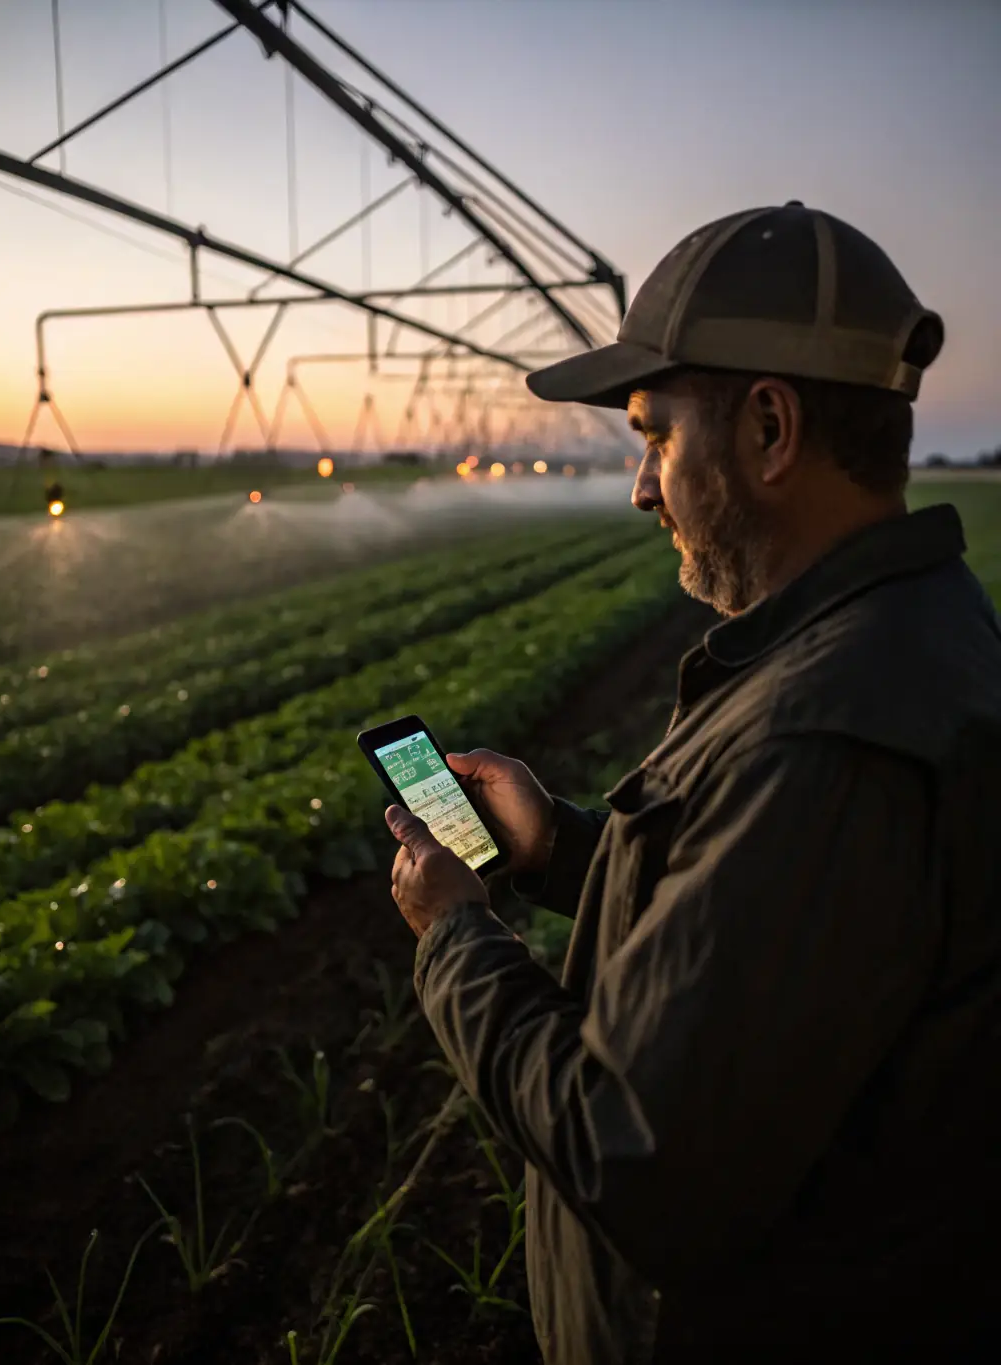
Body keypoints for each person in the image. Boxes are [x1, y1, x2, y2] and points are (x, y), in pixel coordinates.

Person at [384, 202, 1001, 1363]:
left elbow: (635, 1154)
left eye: (654, 437)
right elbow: (779, 944)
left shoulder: (832, 733)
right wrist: (556, 848)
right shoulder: (890, 641)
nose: (639, 488)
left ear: (768, 429)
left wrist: (455, 934)